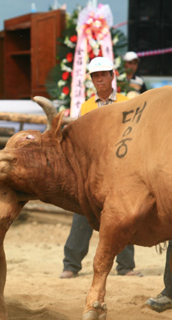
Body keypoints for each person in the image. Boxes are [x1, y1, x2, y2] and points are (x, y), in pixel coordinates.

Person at [60, 56, 141, 279]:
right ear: (92, 80)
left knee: (121, 216)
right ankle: (71, 264)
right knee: (84, 213)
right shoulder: (86, 107)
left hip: (122, 168)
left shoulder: (127, 102)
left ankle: (126, 266)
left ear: (112, 76)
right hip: (94, 170)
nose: (99, 79)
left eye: (103, 74)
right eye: (95, 76)